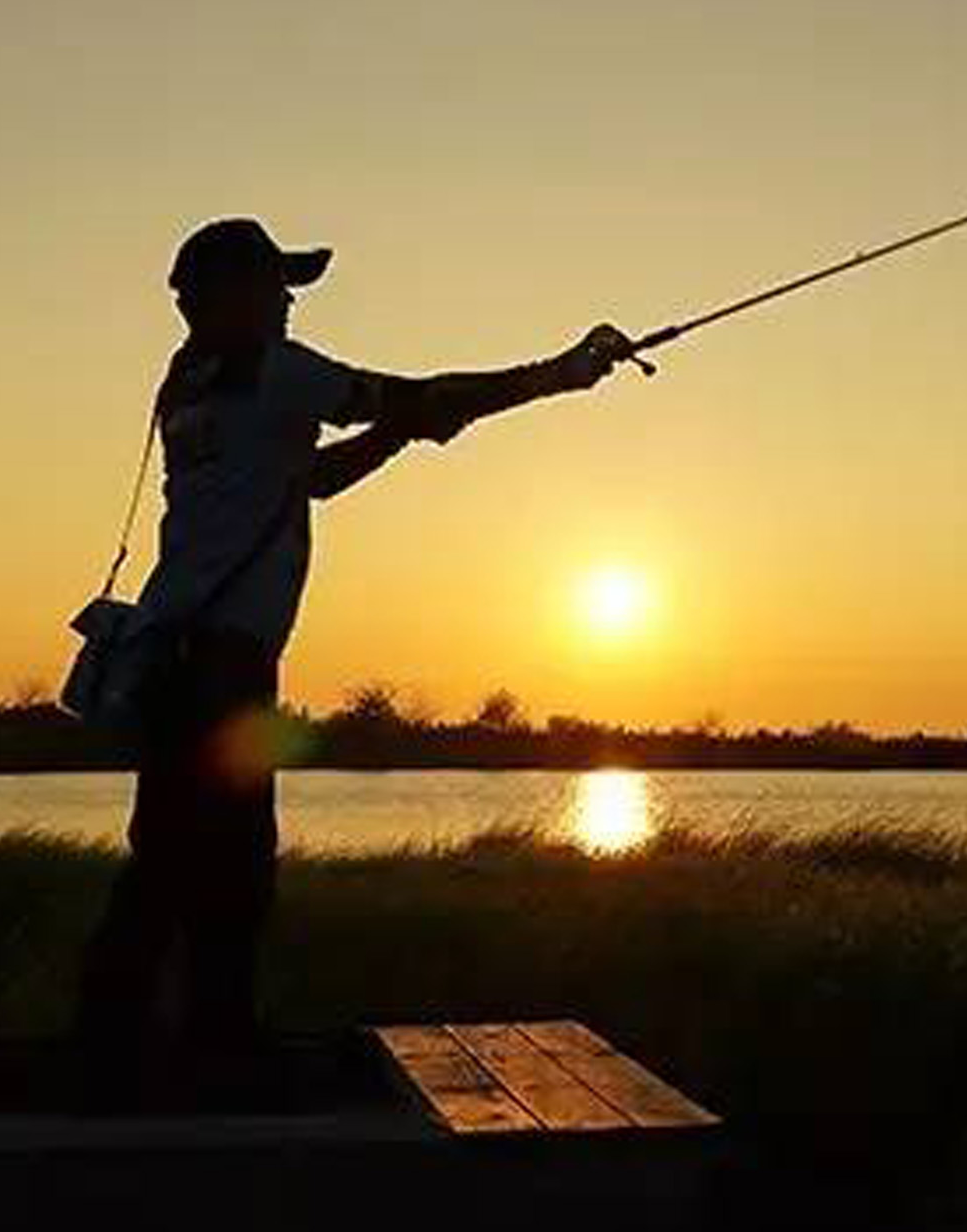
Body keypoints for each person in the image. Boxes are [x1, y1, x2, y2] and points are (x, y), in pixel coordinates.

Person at [73, 216, 633, 1109]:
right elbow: (419, 394)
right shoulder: (279, 371)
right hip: (223, 666)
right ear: (227, 295)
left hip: (175, 659)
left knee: (170, 855)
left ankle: (126, 1040)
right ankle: (194, 1050)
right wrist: (558, 375)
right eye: (276, 285)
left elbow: (308, 478)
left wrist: (400, 434)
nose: (290, 303)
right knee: (231, 862)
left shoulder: (190, 382)